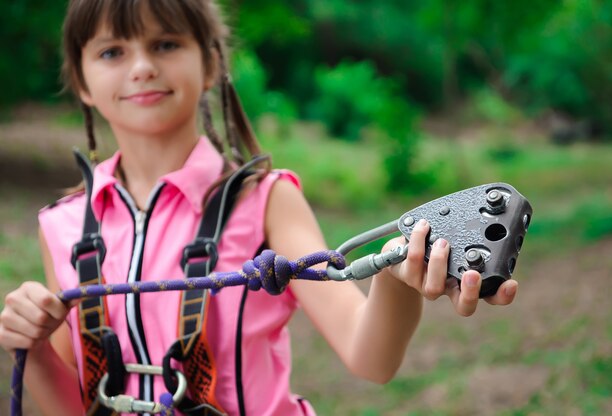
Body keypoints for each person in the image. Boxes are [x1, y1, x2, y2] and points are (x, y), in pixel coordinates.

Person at [0, 1, 518, 415]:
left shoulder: (266, 200)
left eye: (165, 43)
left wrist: (393, 273)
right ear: (82, 79)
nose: (142, 67)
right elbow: (77, 405)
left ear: (211, 64)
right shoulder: (61, 226)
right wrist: (35, 349)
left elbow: (370, 357)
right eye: (112, 51)